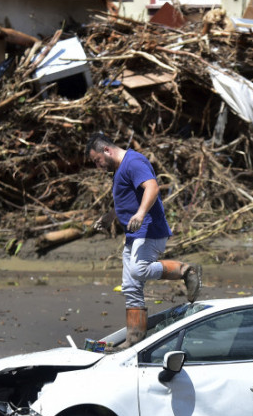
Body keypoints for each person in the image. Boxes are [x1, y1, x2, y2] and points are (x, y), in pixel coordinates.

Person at [86, 133, 201, 348]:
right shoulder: (120, 169)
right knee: (130, 286)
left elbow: (152, 187)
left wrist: (139, 214)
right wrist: (110, 217)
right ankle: (134, 341)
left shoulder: (134, 161)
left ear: (106, 151)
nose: (98, 166)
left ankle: (186, 270)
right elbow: (125, 199)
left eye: (97, 160)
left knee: (139, 270)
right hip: (134, 234)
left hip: (149, 230)